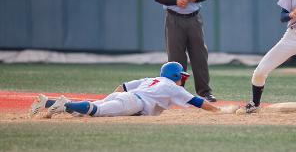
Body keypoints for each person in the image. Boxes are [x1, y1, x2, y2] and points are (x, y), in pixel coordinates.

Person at [29, 62, 233, 118]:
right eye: (181, 75)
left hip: (124, 95)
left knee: (90, 109)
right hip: (133, 103)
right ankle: (63, 105)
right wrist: (218, 111)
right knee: (95, 111)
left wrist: (114, 98)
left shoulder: (152, 79)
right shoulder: (172, 87)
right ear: (175, 76)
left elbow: (122, 86)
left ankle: (46, 101)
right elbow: (198, 102)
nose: (182, 79)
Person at [153, 0, 216, 102]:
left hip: (194, 18)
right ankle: (176, 93)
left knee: (199, 56)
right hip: (173, 19)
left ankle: (204, 92)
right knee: (175, 58)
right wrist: (175, 1)